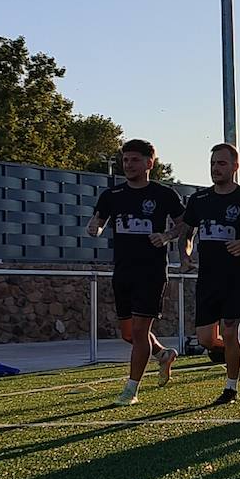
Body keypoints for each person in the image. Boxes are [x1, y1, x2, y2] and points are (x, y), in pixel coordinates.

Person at [88, 139, 186, 406]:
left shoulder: (164, 195)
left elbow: (183, 225)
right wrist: (94, 227)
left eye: (134, 159)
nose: (128, 164)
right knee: (129, 334)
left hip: (151, 271)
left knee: (141, 330)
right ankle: (163, 355)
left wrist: (166, 236)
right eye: (125, 159)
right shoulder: (112, 195)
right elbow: (97, 221)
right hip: (123, 271)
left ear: (149, 163)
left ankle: (131, 390)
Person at [174, 143, 240, 405]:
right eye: (213, 163)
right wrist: (185, 255)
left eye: (222, 163)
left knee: (230, 331)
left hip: (235, 277)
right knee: (206, 339)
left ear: (235, 167)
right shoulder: (199, 200)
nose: (216, 168)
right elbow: (187, 234)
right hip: (207, 277)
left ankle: (231, 388)